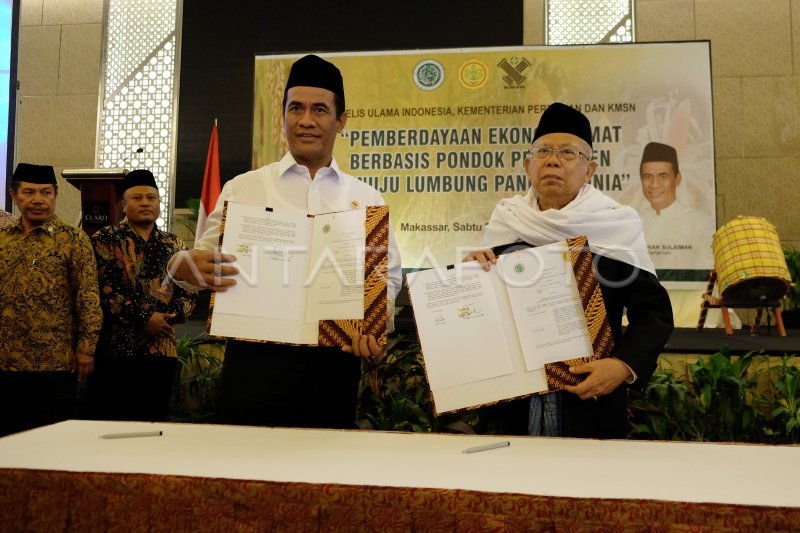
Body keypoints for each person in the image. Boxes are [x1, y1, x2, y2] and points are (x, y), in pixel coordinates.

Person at [167, 55, 402, 429]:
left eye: (320, 109)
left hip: (333, 368)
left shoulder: (366, 199)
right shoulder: (244, 187)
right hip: (253, 366)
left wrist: (376, 321)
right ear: (283, 115)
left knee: (323, 481)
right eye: (296, 107)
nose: (306, 120)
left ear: (341, 120)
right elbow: (200, 261)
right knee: (246, 477)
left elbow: (386, 279)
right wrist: (180, 266)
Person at [464, 103, 674, 439]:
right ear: (528, 164)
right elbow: (482, 317)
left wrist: (621, 366)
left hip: (591, 400)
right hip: (514, 407)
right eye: (543, 150)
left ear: (590, 169)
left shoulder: (614, 225)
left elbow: (654, 314)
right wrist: (473, 279)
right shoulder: (507, 222)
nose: (553, 159)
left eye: (568, 152)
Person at [0, 163, 102, 437]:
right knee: (9, 440)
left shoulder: (73, 240)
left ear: (55, 195)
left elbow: (88, 296)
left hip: (56, 362)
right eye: (29, 192)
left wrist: (87, 348)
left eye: (46, 193)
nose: (38, 200)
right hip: (6, 361)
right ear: (14, 196)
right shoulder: (2, 240)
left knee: (52, 439)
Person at [87, 170, 196, 422]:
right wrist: (146, 318)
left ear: (159, 204)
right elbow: (105, 290)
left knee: (152, 424)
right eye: (137, 198)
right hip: (117, 351)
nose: (145, 203)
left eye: (151, 197)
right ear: (123, 205)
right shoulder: (106, 239)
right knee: (111, 425)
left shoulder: (175, 244)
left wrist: (164, 321)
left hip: (163, 351)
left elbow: (190, 288)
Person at [638, 141, 715, 270]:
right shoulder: (632, 222)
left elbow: (706, 272)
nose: (654, 184)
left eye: (663, 176)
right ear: (641, 179)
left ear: (677, 179)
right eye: (648, 177)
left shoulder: (700, 223)